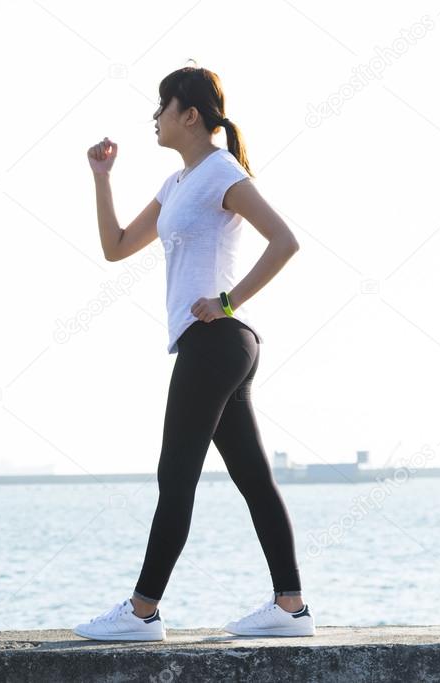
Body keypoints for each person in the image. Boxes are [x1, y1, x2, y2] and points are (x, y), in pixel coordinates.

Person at [73, 65, 315, 641]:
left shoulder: (220, 172)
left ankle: (141, 613)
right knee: (254, 477)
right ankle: (291, 607)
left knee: (175, 477)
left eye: (163, 105)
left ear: (191, 116)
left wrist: (226, 300)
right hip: (214, 346)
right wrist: (102, 177)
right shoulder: (177, 185)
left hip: (216, 341)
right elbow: (116, 248)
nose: (154, 116)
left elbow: (285, 241)